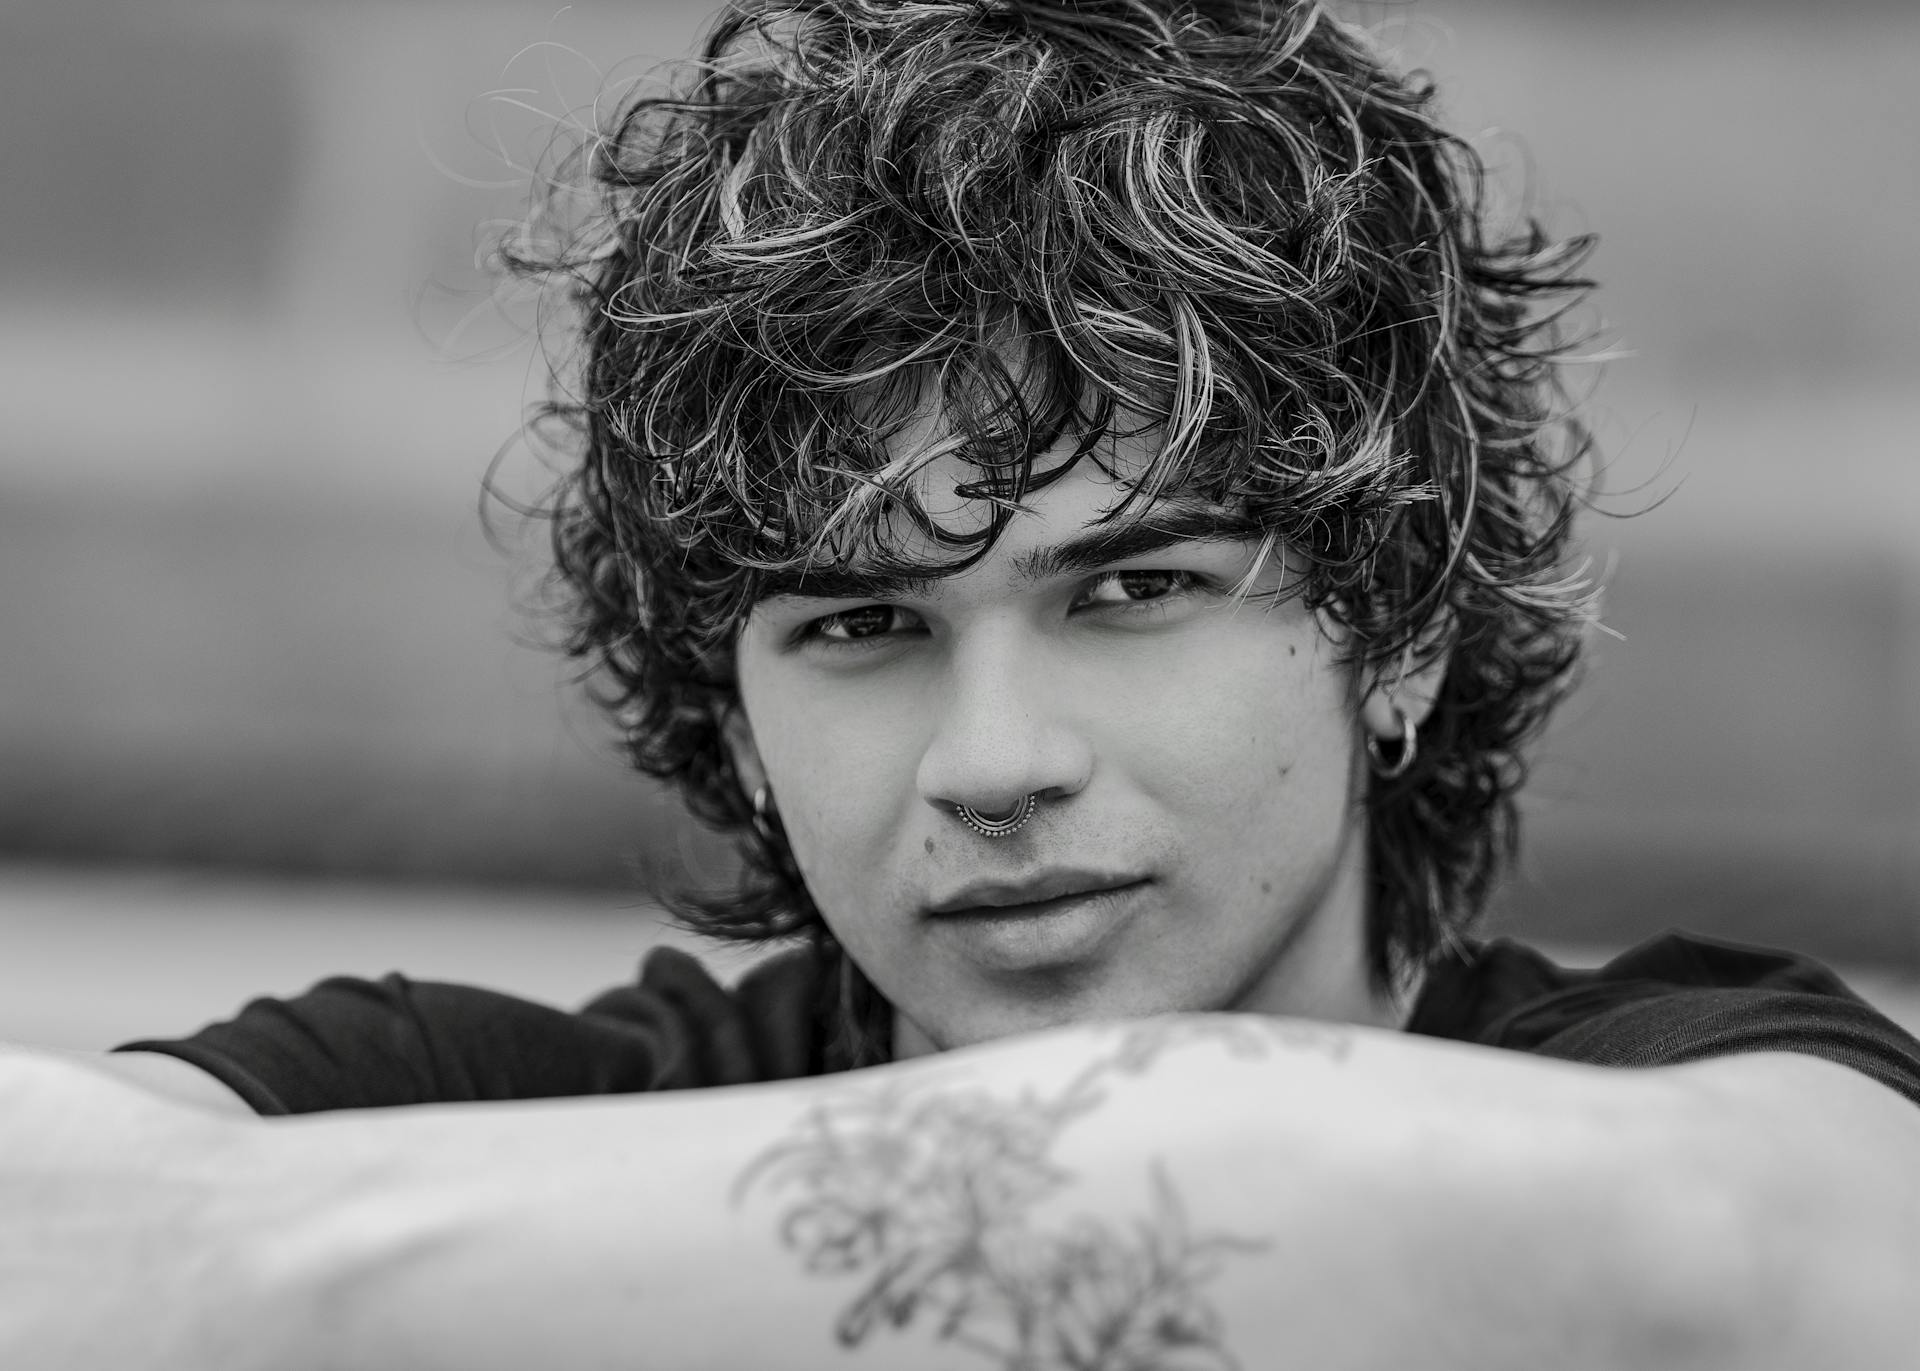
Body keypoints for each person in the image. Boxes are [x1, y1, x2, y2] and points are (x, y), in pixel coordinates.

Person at [6, 0, 1918, 1366]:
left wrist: (278, 1291)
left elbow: (1740, 1257)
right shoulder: (481, 1091)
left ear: (1396, 623)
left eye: (1138, 588)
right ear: (736, 721)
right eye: (858, 630)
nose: (994, 765)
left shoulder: (1701, 1087)